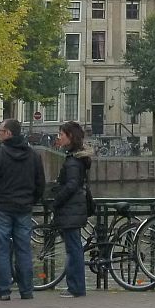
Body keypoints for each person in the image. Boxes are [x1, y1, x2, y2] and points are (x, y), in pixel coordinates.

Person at [0, 118, 45, 301]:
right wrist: (31, 200)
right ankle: (26, 290)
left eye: (0, 130)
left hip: (1, 207)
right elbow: (40, 183)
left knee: (1, 248)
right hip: (23, 208)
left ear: (8, 133)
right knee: (23, 248)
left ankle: (2, 290)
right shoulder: (33, 156)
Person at [51, 121, 93, 298]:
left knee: (73, 248)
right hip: (74, 208)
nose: (58, 137)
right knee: (73, 247)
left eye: (61, 134)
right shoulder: (75, 158)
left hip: (71, 209)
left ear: (70, 137)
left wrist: (57, 200)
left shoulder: (74, 162)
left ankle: (76, 287)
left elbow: (72, 185)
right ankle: (75, 286)